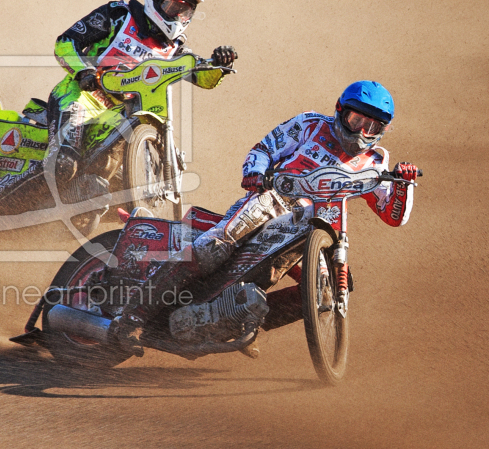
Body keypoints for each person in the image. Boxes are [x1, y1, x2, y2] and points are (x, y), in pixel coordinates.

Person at [111, 80, 420, 355]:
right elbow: (263, 150)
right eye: (357, 121)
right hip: (271, 201)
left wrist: (404, 184)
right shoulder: (310, 124)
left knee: (328, 292)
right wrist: (255, 175)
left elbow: (393, 216)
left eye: (374, 127)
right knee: (211, 249)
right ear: (341, 111)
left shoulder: (377, 164)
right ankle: (132, 317)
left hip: (318, 226)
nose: (363, 133)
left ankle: (236, 321)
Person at [44, 0, 237, 193]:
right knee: (64, 165)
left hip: (120, 114)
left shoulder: (174, 49)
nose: (178, 16)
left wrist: (221, 64)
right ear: (154, 0)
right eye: (173, 8)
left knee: (117, 183)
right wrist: (83, 72)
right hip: (81, 96)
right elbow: (66, 42)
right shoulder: (118, 16)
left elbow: (202, 77)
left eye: (185, 12)